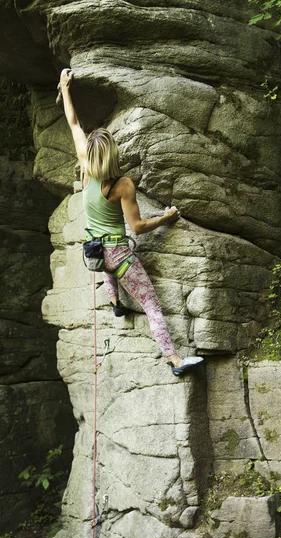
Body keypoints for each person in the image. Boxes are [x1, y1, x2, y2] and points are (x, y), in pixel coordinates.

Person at [59, 68, 203, 377]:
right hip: (119, 257)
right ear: (112, 153)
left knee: (106, 262)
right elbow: (136, 227)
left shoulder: (84, 166)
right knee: (151, 304)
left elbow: (72, 121)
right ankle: (174, 361)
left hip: (94, 253)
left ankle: (114, 301)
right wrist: (165, 217)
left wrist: (64, 87)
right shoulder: (121, 185)